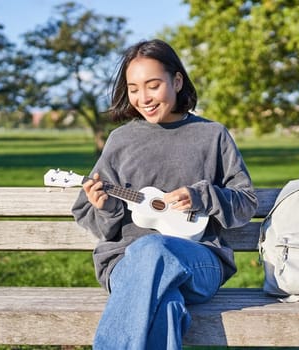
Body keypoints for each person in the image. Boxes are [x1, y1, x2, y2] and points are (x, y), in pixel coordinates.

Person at [71, 39, 258, 350]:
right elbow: (93, 219)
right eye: (133, 89)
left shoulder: (212, 136)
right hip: (125, 263)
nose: (143, 98)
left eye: (153, 85)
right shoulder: (121, 140)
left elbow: (246, 203)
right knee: (166, 305)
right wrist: (105, 208)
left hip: (199, 262)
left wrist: (203, 196)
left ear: (177, 80)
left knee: (153, 248)